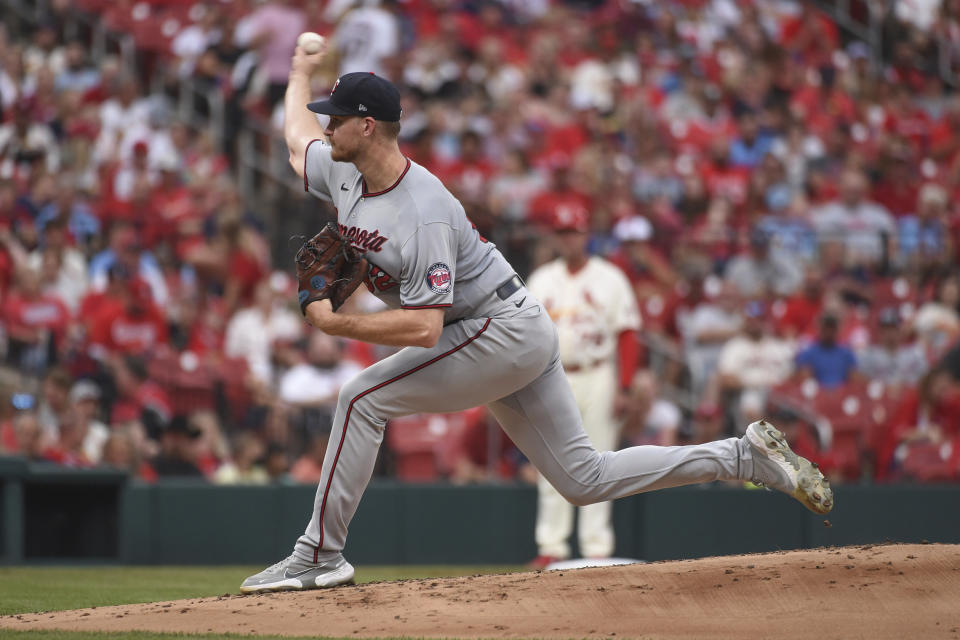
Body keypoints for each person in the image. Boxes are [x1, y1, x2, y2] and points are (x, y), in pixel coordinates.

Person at [239, 46, 834, 594]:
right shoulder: (344, 168)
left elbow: (423, 329)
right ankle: (742, 456)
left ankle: (319, 553)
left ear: (367, 126)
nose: (326, 127)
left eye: (336, 118)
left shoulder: (423, 209)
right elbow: (295, 141)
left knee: (360, 398)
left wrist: (336, 324)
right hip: (506, 327)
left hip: (494, 327)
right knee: (584, 480)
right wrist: (298, 72)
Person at [524, 206, 641, 568]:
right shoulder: (542, 278)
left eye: (574, 232)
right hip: (552, 376)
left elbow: (628, 334)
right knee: (551, 461)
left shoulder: (610, 278)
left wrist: (623, 386)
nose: (569, 239)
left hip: (597, 373)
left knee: (600, 458)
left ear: (586, 235)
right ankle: (551, 546)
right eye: (562, 233)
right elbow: (524, 334)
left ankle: (596, 548)